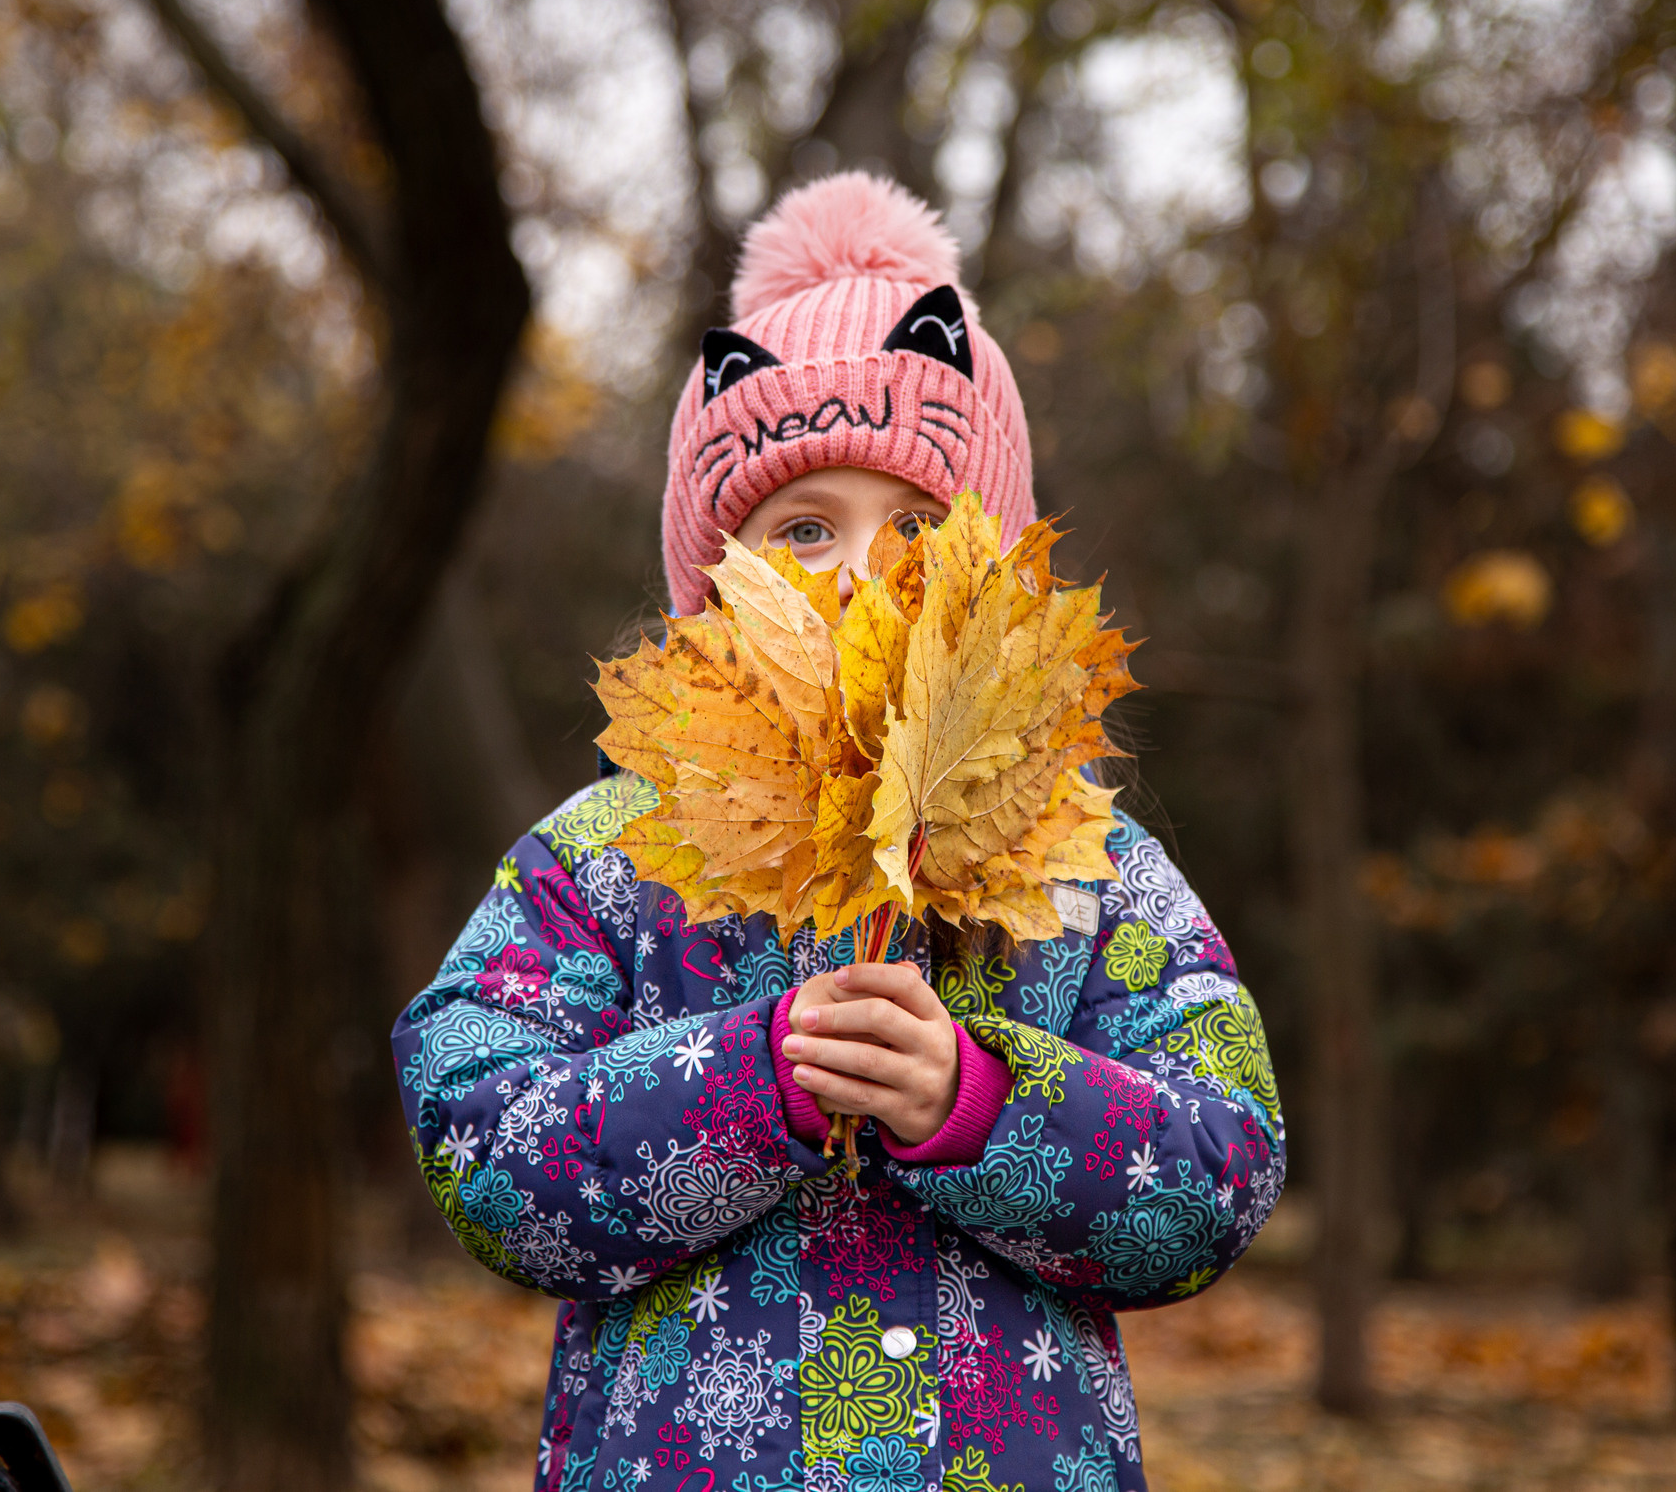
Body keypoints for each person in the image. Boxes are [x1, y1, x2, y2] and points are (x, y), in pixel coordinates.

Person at [393, 173, 1284, 1492]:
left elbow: (1223, 1167)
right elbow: (481, 1142)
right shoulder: (607, 860)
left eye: (919, 525)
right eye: (804, 529)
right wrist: (745, 1084)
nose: (865, 573)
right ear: (712, 582)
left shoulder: (1085, 862)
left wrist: (984, 1104)